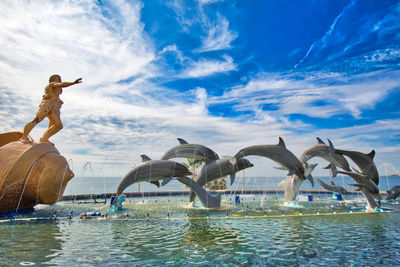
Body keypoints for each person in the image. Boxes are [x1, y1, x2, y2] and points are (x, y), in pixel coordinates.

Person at [19, 74, 82, 145]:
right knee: (37, 119)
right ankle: (24, 136)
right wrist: (73, 83)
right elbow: (62, 84)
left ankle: (45, 138)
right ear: (53, 79)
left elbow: (58, 94)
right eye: (58, 78)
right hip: (47, 104)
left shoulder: (59, 88)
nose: (60, 79)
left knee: (58, 125)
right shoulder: (52, 84)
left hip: (54, 107)